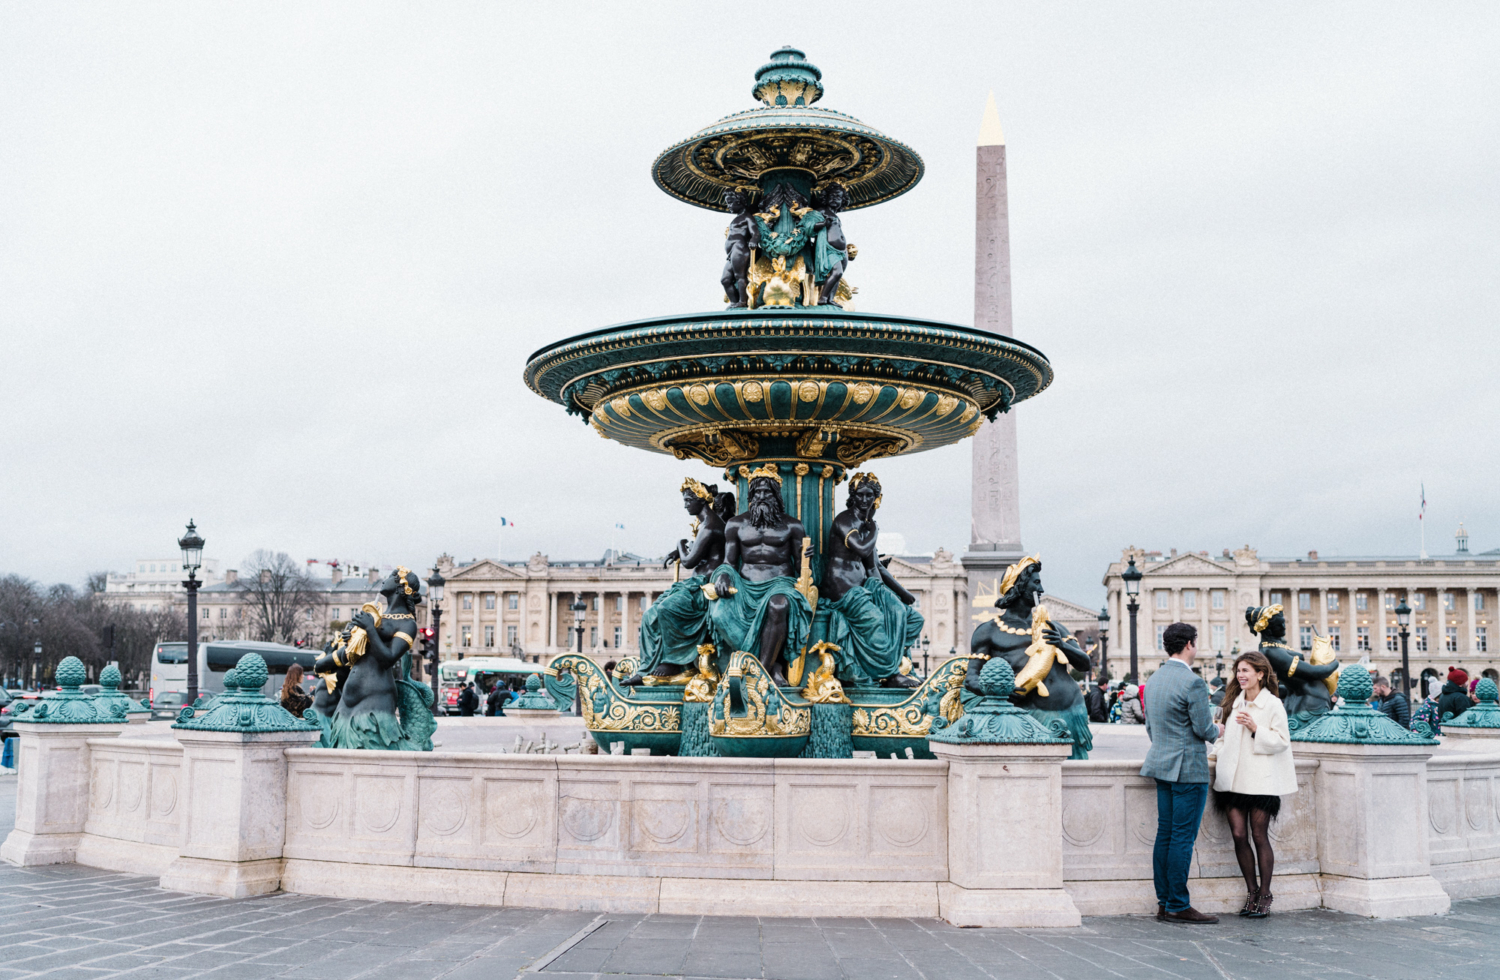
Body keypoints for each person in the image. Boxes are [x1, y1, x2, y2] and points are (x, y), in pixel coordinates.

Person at [1140, 622, 1223, 924]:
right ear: (1189, 644)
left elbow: (1150, 727)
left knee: (1165, 834)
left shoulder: (1154, 679)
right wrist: (1219, 729)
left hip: (1161, 763)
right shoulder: (1194, 683)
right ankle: (1178, 903)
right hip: (1188, 768)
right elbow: (1204, 729)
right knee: (1182, 838)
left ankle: (1164, 901)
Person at [1210, 650, 1297, 918]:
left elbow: (1282, 741)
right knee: (1239, 835)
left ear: (1261, 674)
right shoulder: (1233, 702)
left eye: (1246, 670)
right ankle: (1251, 890)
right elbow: (1223, 736)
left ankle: (1265, 894)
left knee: (1259, 836)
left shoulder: (1272, 704)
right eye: (1238, 670)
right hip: (1232, 779)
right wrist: (1214, 753)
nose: (1241, 675)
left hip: (1260, 781)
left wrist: (1256, 728)